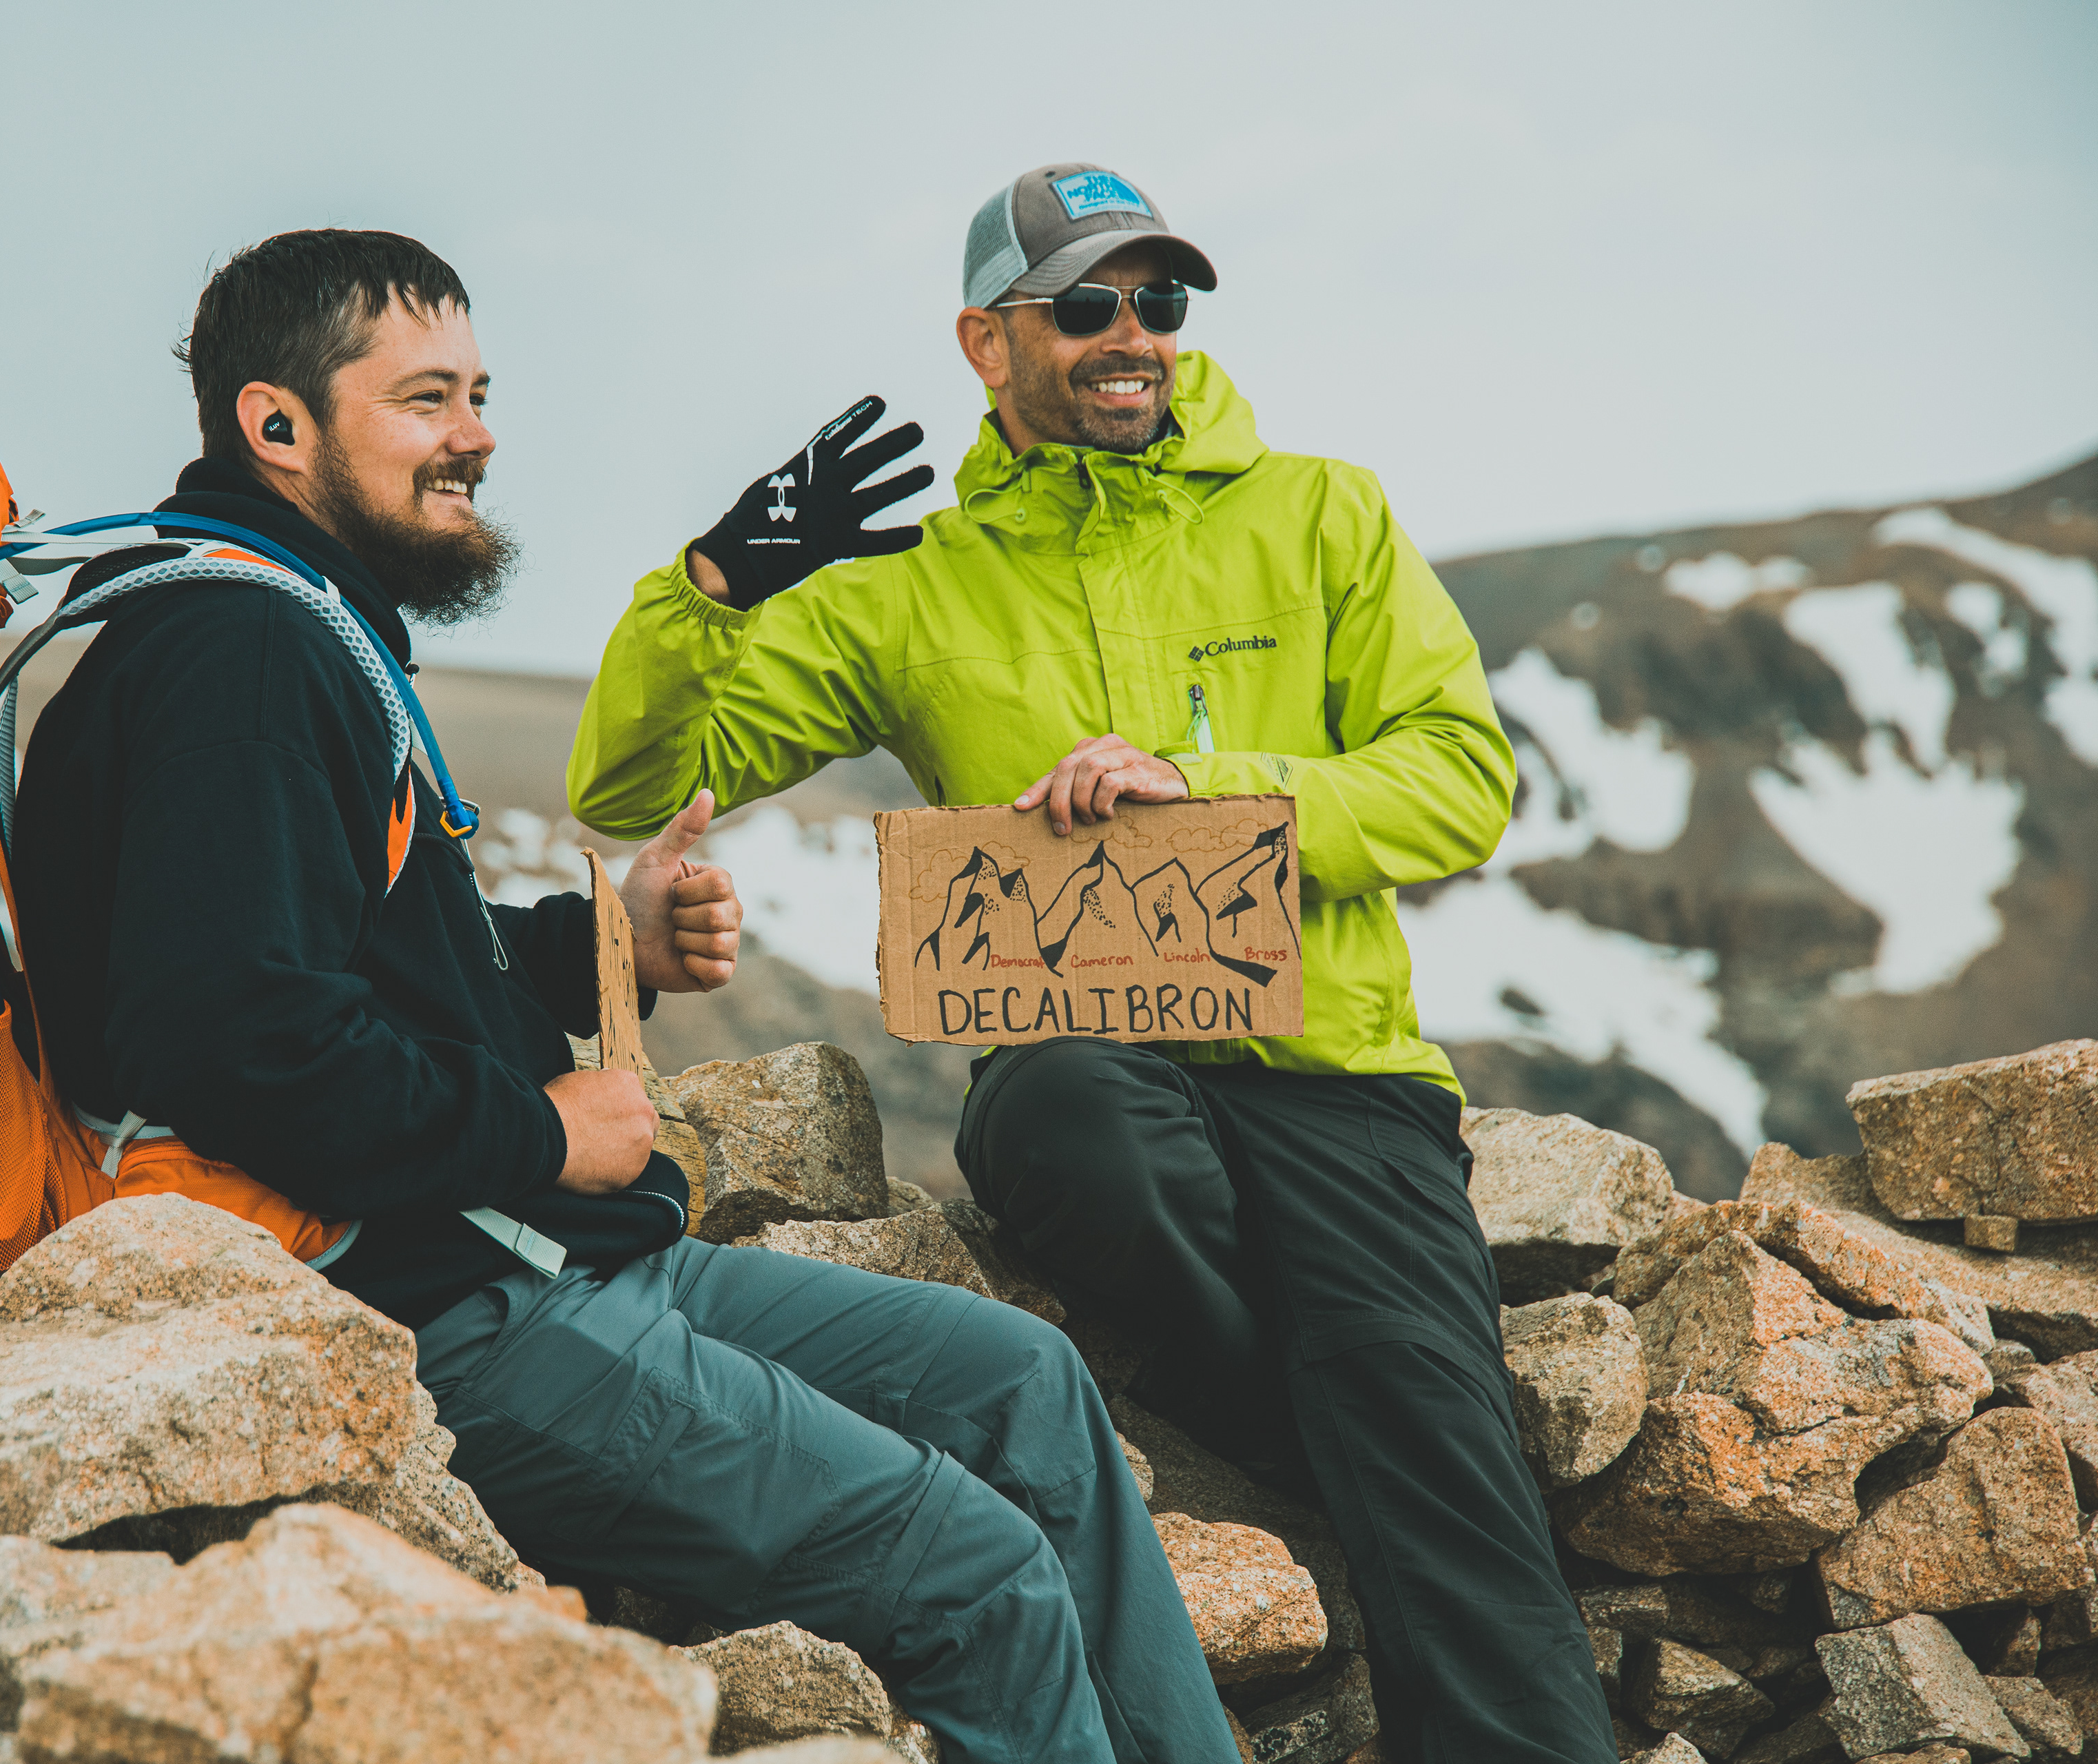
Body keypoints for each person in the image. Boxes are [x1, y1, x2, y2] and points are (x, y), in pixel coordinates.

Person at [10, 228, 1233, 1764]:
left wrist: (612, 950)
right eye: (427, 400)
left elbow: (369, 962)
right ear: (278, 425)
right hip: (438, 1306)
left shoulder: (298, 621)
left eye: (480, 391)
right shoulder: (237, 659)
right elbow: (236, 1036)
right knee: (975, 1568)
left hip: (551, 1255)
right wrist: (536, 1132)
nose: (479, 434)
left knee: (1027, 1383)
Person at [568, 165, 1616, 1762]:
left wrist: (1219, 791)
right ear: (989, 342)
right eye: (1089, 304)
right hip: (1088, 1071)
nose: (1135, 336)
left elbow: (1462, 776)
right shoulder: (912, 584)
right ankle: (1344, 1417)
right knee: (1064, 1123)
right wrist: (707, 587)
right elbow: (631, 790)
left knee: (1430, 1427)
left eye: (1161, 302)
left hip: (1338, 1082)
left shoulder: (1322, 510)